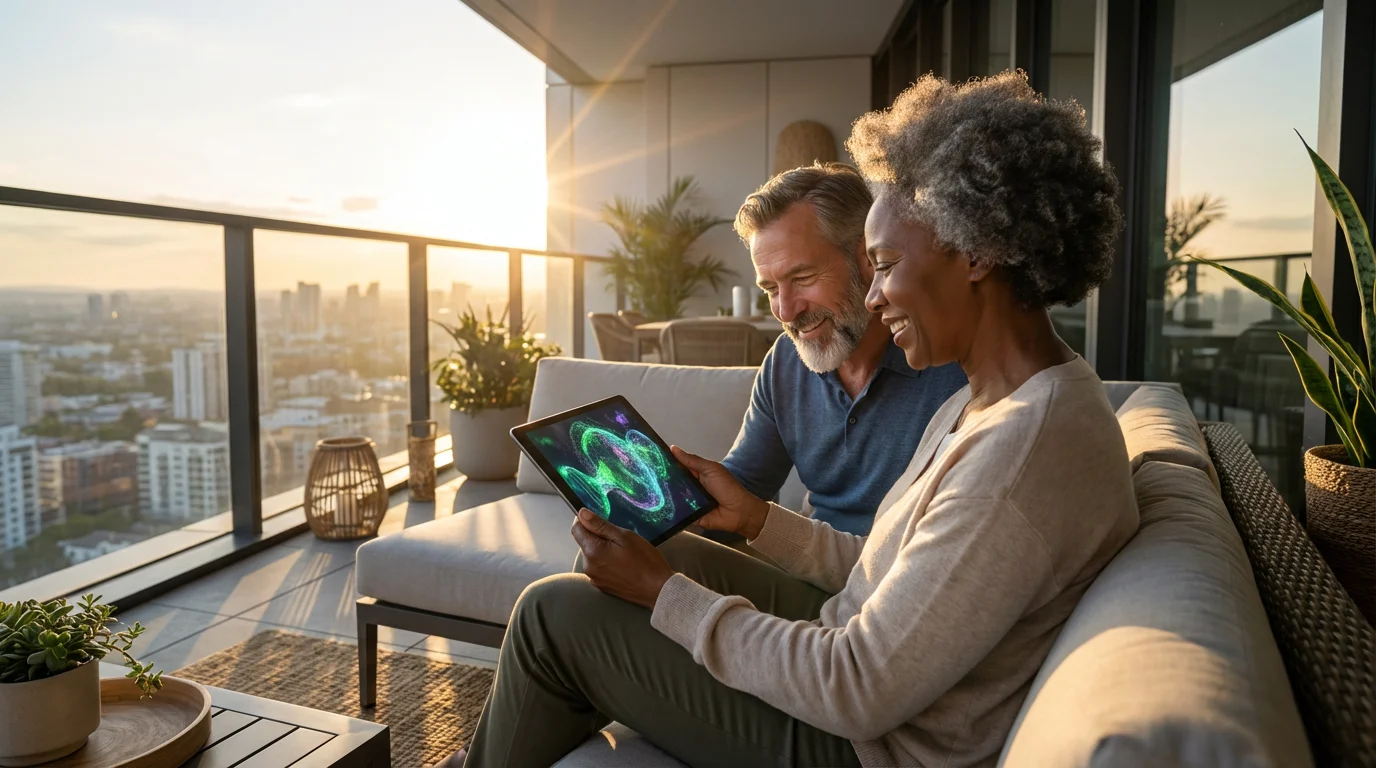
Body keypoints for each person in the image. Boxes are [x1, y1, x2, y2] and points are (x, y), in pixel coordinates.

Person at [456, 71, 1139, 768]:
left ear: (978, 251)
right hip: (854, 657)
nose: (877, 297)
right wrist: (756, 519)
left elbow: (859, 686)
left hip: (869, 745)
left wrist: (663, 595)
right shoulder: (991, 398)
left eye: (885, 266)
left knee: (552, 613)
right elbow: (881, 570)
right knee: (639, 557)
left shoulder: (1020, 451)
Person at [722, 162, 966, 535]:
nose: (786, 311)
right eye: (770, 289)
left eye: (802, 278)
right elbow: (743, 486)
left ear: (869, 260)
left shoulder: (952, 364)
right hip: (805, 569)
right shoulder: (786, 361)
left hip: (895, 580)